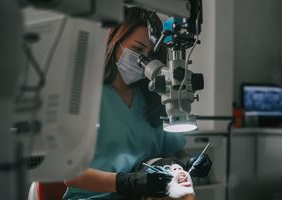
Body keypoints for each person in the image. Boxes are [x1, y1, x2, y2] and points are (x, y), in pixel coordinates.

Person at [63, 7, 211, 200]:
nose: (144, 61)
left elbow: (174, 153)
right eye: (137, 50)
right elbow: (70, 175)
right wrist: (126, 182)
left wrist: (190, 161)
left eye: (149, 54)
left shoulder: (154, 97)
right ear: (115, 42)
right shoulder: (84, 97)